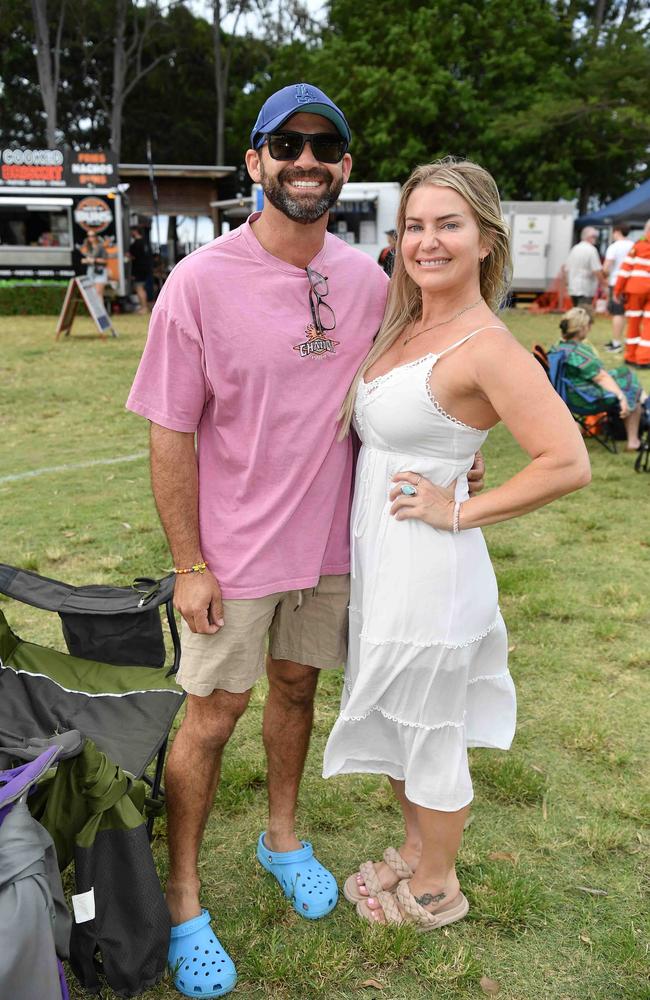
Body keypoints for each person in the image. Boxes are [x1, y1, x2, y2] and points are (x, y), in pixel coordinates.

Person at [126, 85, 487, 997]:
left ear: (345, 169)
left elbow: (405, 397)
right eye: (284, 145)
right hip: (232, 557)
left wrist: (455, 467)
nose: (305, 161)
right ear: (254, 164)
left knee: (297, 691)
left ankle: (283, 838)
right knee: (211, 717)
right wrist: (188, 565)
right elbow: (170, 430)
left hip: (334, 549)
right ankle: (183, 897)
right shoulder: (199, 283)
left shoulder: (371, 283)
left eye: (323, 147)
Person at [322, 158, 591, 931]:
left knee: (432, 727)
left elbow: (567, 462)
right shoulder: (407, 324)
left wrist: (456, 509)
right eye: (414, 225)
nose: (426, 241)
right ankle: (413, 850)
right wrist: (453, 457)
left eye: (449, 225)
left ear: (484, 240)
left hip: (432, 568)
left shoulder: (486, 343)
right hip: (384, 563)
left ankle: (437, 886)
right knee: (403, 717)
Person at [552, 306, 645, 451]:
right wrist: (621, 397)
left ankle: (645, 403)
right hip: (588, 401)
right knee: (630, 386)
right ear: (582, 328)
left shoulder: (556, 348)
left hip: (569, 398)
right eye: (589, 325)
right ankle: (633, 440)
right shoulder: (579, 352)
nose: (589, 329)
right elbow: (601, 377)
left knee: (624, 374)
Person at [614, 218, 650, 368]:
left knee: (633, 322)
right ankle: (644, 359)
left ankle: (630, 356)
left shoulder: (638, 246)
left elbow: (625, 269)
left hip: (635, 289)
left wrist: (617, 290)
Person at [602, 224, 634, 352]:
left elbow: (606, 267)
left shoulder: (614, 247)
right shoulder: (633, 245)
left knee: (618, 313)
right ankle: (629, 341)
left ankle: (616, 343)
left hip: (617, 283)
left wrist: (604, 276)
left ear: (617, 231)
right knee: (630, 313)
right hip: (631, 283)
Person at [564, 226, 602, 308]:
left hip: (573, 287)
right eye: (594, 237)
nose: (595, 239)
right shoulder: (591, 250)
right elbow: (596, 270)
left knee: (577, 312)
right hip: (586, 288)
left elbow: (566, 269)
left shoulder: (575, 248)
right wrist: (603, 283)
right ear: (588, 237)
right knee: (584, 314)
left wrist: (567, 284)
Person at [129, 225, 151, 313]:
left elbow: (134, 256)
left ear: (135, 231)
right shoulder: (145, 242)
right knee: (141, 288)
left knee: (139, 288)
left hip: (138, 269)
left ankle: (144, 307)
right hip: (145, 268)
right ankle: (144, 306)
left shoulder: (136, 244)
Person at [80, 230, 108, 301]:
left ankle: (101, 311)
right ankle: (95, 311)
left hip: (99, 271)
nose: (90, 238)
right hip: (91, 271)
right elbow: (85, 258)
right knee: (92, 293)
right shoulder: (88, 247)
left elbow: (105, 260)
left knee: (98, 293)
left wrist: (94, 260)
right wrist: (86, 260)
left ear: (96, 237)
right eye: (89, 236)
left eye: (92, 236)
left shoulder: (100, 247)